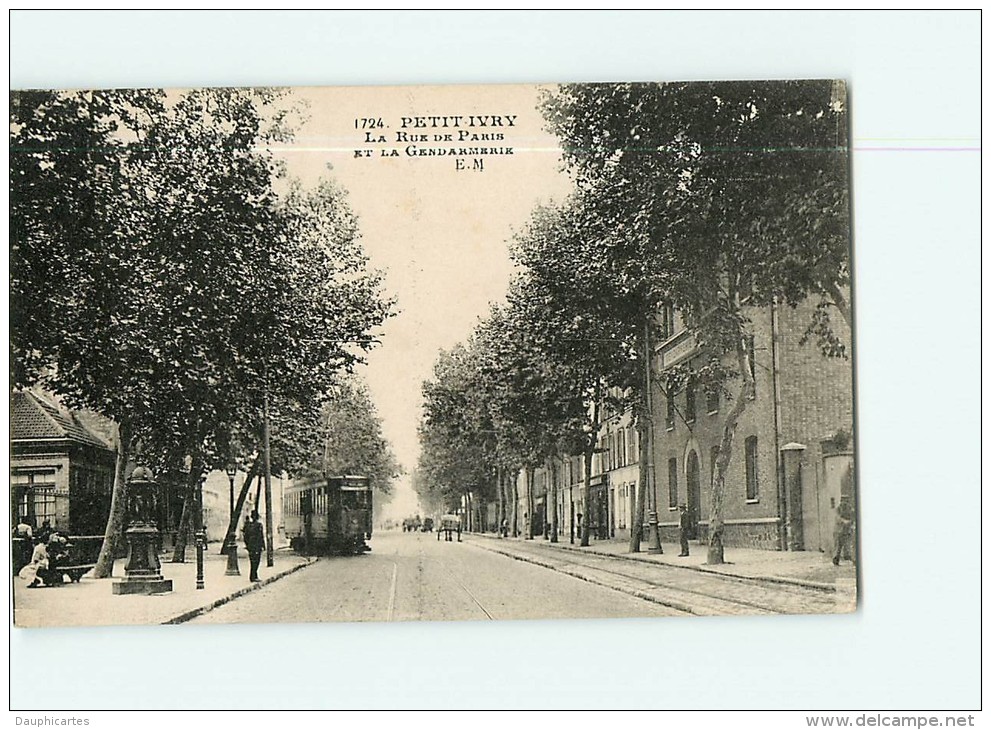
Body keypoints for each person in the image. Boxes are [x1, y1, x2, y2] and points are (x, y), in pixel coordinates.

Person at [832, 496, 855, 566]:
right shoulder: (838, 509)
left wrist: (851, 522)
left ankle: (853, 559)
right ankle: (836, 559)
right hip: (839, 530)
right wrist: (845, 521)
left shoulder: (850, 509)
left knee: (849, 545)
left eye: (846, 501)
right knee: (838, 546)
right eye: (843, 501)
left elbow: (853, 516)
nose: (845, 502)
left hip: (847, 530)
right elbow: (838, 518)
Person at [244, 510, 265, 582]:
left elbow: (245, 536)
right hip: (257, 546)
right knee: (256, 561)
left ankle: (253, 576)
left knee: (252, 561)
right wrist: (263, 546)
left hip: (250, 546)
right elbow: (261, 536)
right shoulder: (259, 525)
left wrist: (247, 545)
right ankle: (253, 576)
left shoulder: (248, 525)